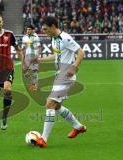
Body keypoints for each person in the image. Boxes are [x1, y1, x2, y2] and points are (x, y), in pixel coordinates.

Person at [35, 16, 87, 148]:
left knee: (50, 104)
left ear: (53, 26)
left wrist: (74, 67)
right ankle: (78, 127)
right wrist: (40, 60)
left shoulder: (65, 38)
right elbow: (56, 55)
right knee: (56, 107)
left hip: (66, 76)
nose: (44, 31)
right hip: (59, 75)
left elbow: (81, 52)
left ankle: (43, 139)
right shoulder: (53, 39)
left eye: (46, 29)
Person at [21, 24, 42, 91]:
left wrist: (37, 56)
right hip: (27, 56)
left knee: (34, 71)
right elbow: (23, 48)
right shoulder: (24, 37)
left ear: (32, 30)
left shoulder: (36, 37)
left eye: (29, 29)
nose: (28, 30)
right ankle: (32, 82)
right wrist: (23, 58)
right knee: (24, 71)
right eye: (27, 29)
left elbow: (39, 47)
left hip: (34, 55)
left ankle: (35, 85)